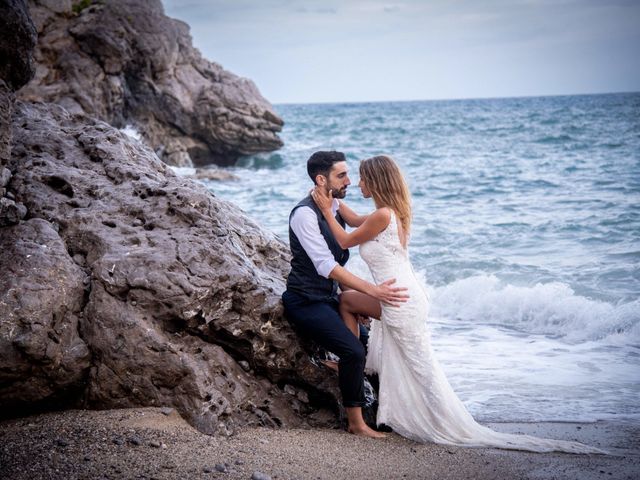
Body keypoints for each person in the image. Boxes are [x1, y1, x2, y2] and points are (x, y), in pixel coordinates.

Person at [310, 154, 605, 454]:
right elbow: (355, 221)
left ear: (376, 181)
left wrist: (324, 209)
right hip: (401, 295)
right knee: (348, 301)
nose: (358, 183)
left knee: (420, 367)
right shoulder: (388, 213)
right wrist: (333, 202)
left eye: (362, 178)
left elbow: (345, 241)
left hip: (399, 299)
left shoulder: (383, 216)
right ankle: (351, 363)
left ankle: (441, 417)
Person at [281, 151, 409, 439]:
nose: (350, 181)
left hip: (328, 298)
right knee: (353, 352)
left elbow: (362, 225)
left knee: (369, 347)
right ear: (320, 179)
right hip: (305, 301)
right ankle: (357, 423)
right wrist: (372, 290)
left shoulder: (334, 204)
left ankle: (390, 413)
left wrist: (354, 296)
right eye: (342, 175)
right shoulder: (304, 214)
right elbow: (327, 266)